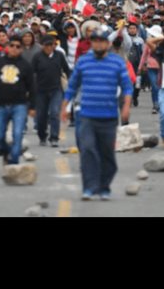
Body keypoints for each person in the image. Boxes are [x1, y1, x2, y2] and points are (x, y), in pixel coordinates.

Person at [61, 25, 132, 201]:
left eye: (102, 41)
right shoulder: (83, 61)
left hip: (108, 117)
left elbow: (127, 87)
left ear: (108, 43)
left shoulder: (117, 62)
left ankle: (104, 186)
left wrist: (126, 107)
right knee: (87, 151)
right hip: (86, 115)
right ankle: (89, 187)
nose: (99, 45)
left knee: (107, 154)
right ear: (91, 43)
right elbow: (72, 86)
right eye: (95, 41)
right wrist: (64, 107)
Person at [0, 35, 36, 165]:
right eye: (12, 46)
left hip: (19, 105)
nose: (14, 49)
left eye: (18, 47)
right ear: (7, 47)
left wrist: (32, 106)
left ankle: (14, 162)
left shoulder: (26, 66)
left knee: (17, 134)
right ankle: (6, 152)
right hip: (1, 104)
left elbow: (32, 87)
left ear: (21, 49)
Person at [31, 35, 71, 147]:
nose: (49, 47)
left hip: (56, 89)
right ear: (42, 46)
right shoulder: (37, 57)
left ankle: (54, 137)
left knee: (54, 113)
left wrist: (71, 82)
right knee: (41, 115)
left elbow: (67, 70)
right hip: (41, 90)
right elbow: (31, 73)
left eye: (51, 45)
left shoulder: (59, 56)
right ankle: (42, 136)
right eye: (47, 45)